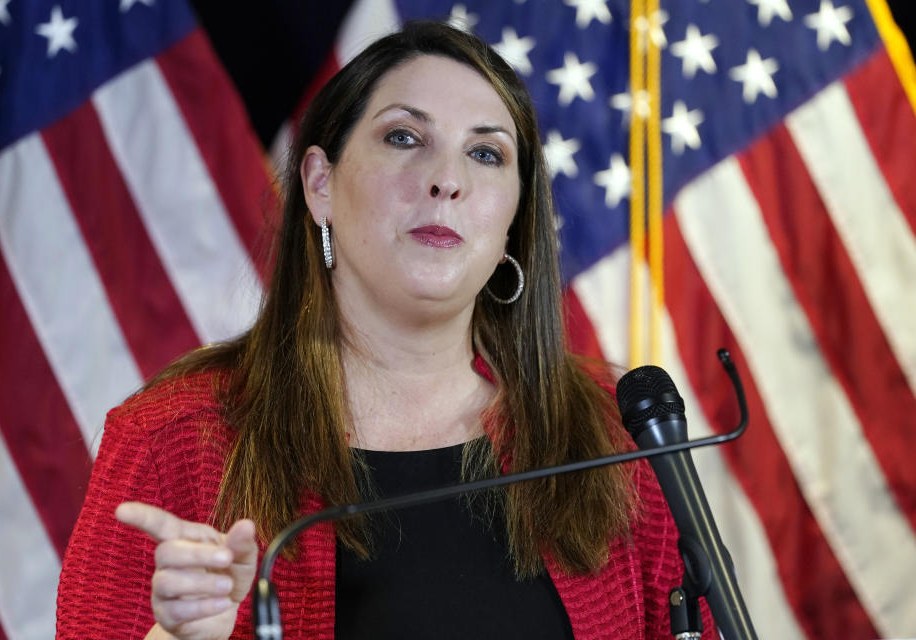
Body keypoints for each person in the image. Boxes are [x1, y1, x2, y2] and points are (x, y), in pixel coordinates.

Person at [56, 21, 713, 640]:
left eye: (486, 153)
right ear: (319, 183)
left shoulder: (612, 441)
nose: (447, 180)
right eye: (404, 137)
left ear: (515, 216)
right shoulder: (173, 442)